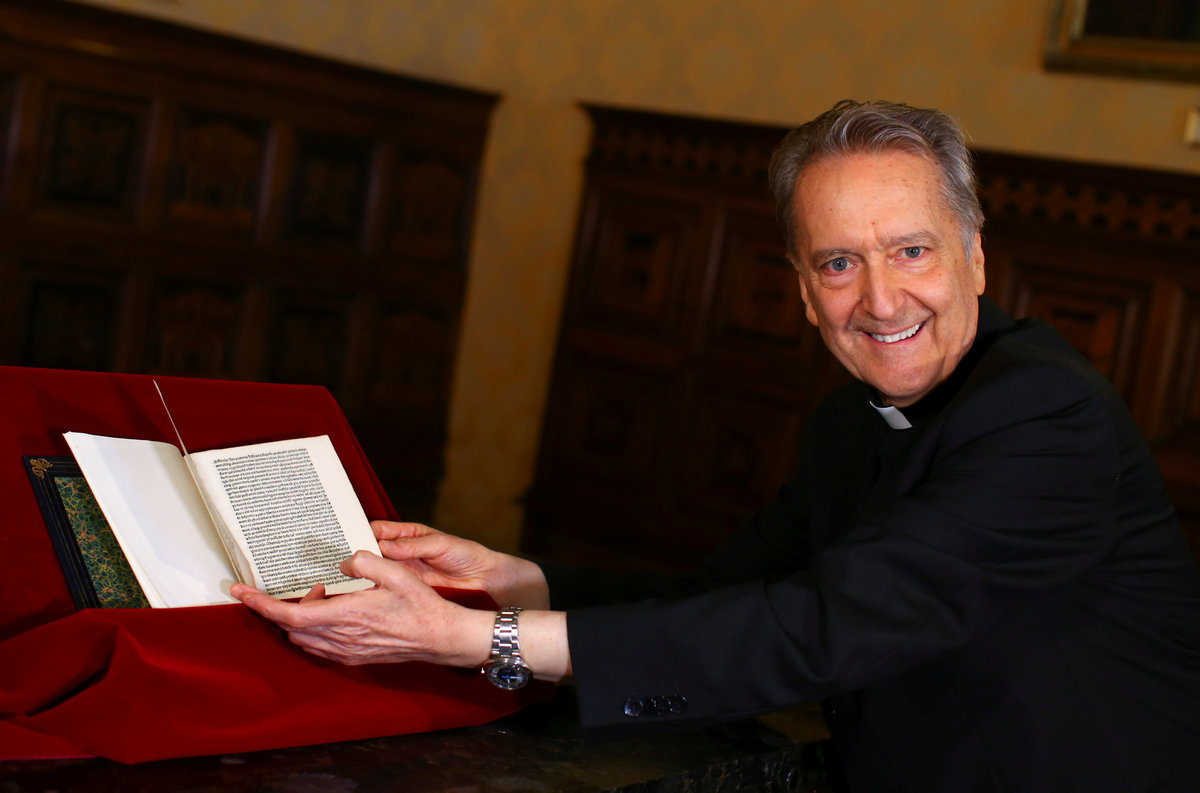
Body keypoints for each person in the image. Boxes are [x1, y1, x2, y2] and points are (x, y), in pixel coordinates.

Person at [232, 100, 1200, 793]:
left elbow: (823, 627)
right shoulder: (846, 422)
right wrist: (512, 582)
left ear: (975, 255)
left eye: (911, 250)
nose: (881, 299)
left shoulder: (1046, 413)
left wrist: (476, 640)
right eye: (839, 263)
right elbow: (724, 596)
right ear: (804, 289)